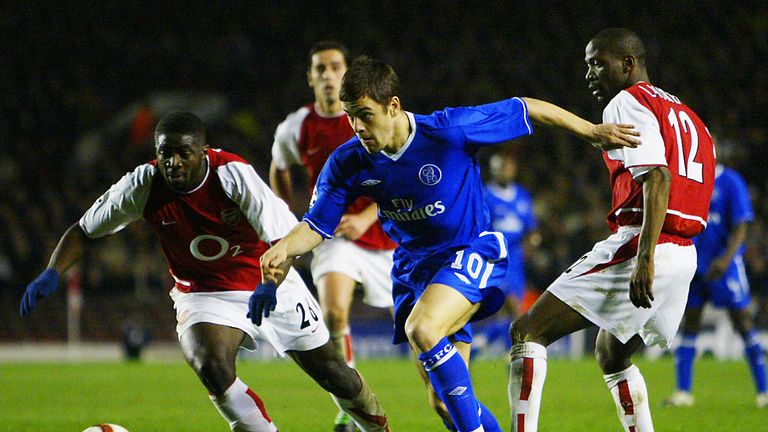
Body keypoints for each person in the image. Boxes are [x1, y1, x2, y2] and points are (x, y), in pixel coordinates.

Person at [257, 56, 640, 432]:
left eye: (364, 114)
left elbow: (526, 108)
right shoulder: (348, 162)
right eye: (349, 115)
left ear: (393, 106)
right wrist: (282, 248)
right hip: (415, 273)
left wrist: (590, 131)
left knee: (422, 328)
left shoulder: (448, 130)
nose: (356, 126)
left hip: (472, 252)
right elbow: (316, 225)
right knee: (444, 403)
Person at [19, 112, 390, 432]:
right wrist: (52, 271)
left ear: (202, 151)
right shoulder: (142, 184)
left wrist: (270, 284)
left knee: (333, 373)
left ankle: (378, 425)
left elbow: (284, 240)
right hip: (203, 292)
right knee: (209, 362)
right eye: (166, 153)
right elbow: (83, 230)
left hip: (269, 277)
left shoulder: (233, 175)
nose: (174, 162)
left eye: (184, 152)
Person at [507, 28, 716, 432]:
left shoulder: (627, 101)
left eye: (597, 63)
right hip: (684, 253)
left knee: (527, 330)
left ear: (628, 64)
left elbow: (657, 177)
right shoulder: (691, 118)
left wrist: (644, 259)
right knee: (611, 355)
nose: (590, 74)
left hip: (646, 243)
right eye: (587, 65)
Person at [270, 41, 397, 432]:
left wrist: (366, 216)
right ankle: (351, 405)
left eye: (335, 66)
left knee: (415, 325)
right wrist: (286, 215)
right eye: (319, 68)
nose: (327, 74)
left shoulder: (364, 117)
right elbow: (280, 167)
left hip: (387, 232)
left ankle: (447, 397)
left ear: (347, 73)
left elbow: (398, 173)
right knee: (334, 313)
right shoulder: (296, 127)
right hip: (335, 235)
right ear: (310, 78)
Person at [663, 161, 767, 408]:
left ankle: (764, 391)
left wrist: (726, 259)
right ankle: (683, 392)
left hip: (724, 265)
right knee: (691, 322)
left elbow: (741, 224)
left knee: (742, 321)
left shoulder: (730, 180)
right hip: (694, 263)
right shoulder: (688, 179)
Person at [474, 151, 539, 353]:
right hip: (496, 258)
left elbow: (531, 228)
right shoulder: (485, 196)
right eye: (500, 167)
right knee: (512, 307)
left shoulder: (522, 195)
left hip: (517, 258)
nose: (505, 171)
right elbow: (478, 229)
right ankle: (515, 354)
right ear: (493, 171)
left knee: (508, 313)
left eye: (508, 167)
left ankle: (479, 346)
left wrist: (533, 243)